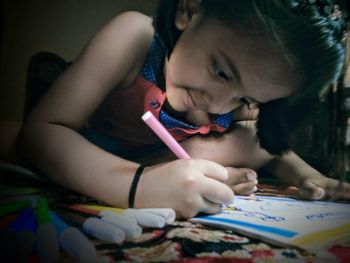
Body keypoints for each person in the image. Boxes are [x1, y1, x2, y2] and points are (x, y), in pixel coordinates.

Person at [17, 0, 350, 218]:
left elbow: (260, 146)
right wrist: (142, 187)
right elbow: (43, 132)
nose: (220, 105)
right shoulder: (136, 38)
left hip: (153, 158)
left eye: (247, 100)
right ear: (190, 10)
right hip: (84, 148)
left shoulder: (230, 103)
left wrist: (305, 174)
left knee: (244, 139)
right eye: (221, 72)